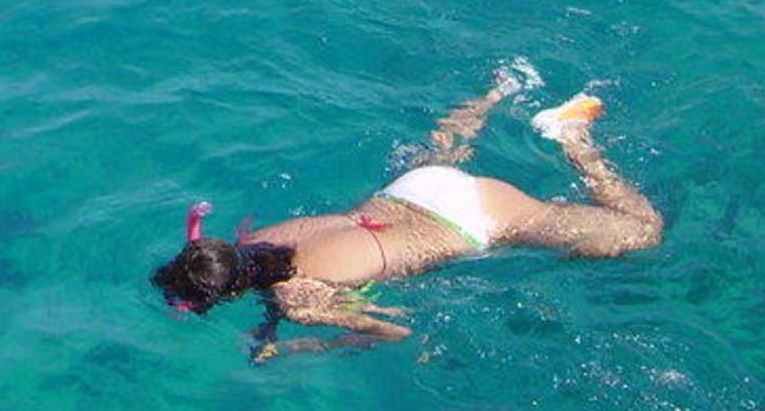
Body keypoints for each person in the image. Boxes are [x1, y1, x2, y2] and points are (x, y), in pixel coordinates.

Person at [151, 70, 664, 360]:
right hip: (414, 190)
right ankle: (497, 90)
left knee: (642, 231)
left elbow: (396, 331)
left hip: (468, 220)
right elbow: (278, 275)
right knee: (440, 153)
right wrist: (271, 324)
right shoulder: (256, 241)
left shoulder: (299, 301)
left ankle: (574, 139)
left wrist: (300, 346)